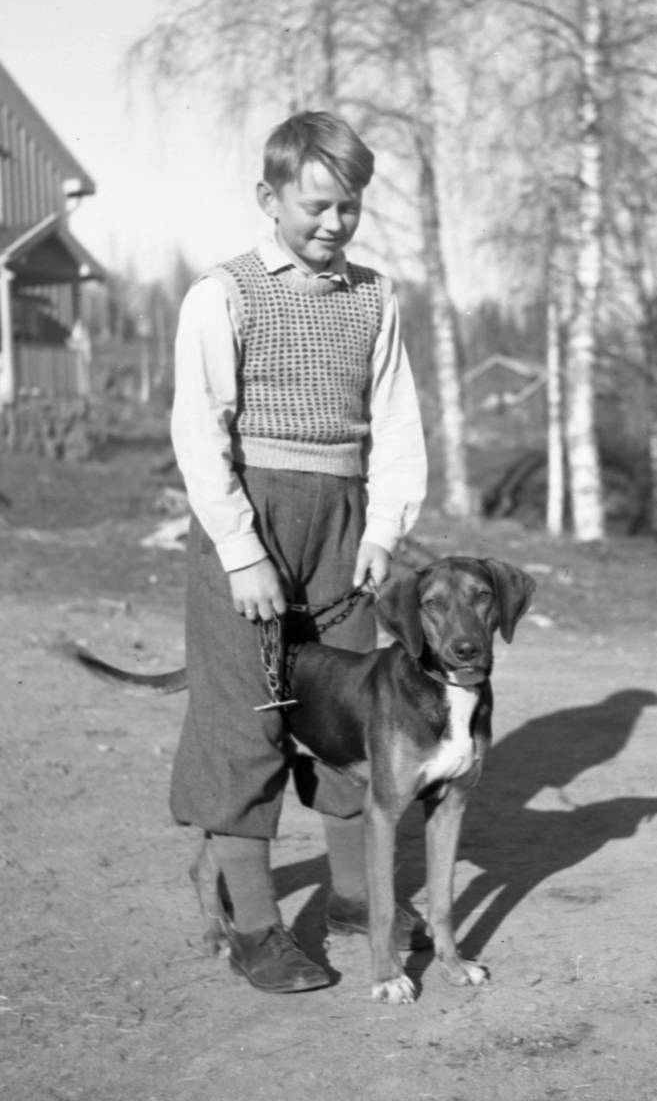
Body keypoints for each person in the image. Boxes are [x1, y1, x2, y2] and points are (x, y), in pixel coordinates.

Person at [169, 111, 428, 993]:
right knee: (247, 721)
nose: (332, 225)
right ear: (268, 197)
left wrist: (384, 532)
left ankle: (359, 901)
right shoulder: (224, 294)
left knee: (358, 712)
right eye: (315, 206)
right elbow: (200, 436)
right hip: (252, 519)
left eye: (348, 209)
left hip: (345, 527)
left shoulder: (375, 297)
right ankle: (255, 929)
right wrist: (241, 554)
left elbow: (395, 424)